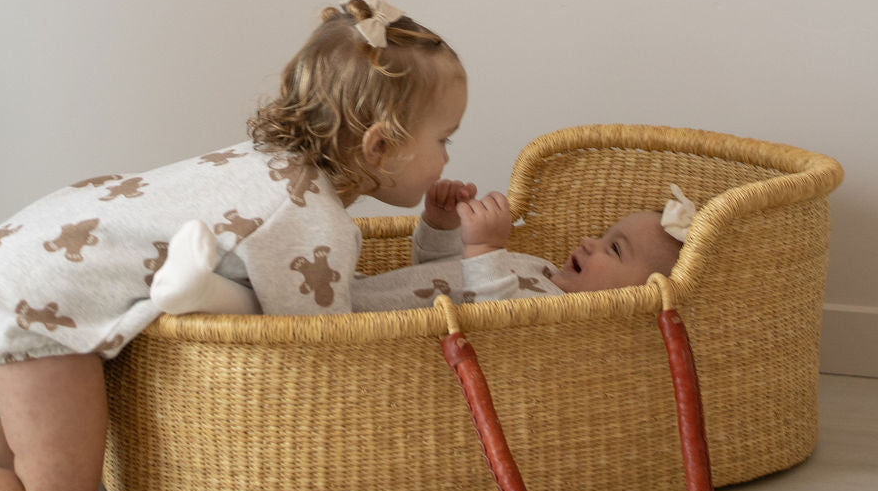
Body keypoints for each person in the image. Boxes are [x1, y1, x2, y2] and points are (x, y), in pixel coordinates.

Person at [0, 0, 466, 491]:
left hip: (9, 261)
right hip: (40, 295)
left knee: (38, 448)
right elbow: (315, 346)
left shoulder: (259, 162)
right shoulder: (311, 217)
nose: (446, 158)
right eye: (446, 139)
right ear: (379, 146)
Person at [152, 179, 697, 313]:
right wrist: (440, 226)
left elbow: (497, 322)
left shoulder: (554, 312)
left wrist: (484, 250)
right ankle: (205, 279)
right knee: (275, 277)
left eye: (614, 250)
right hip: (348, 296)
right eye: (604, 235)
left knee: (259, 313)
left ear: (642, 298)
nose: (589, 242)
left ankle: (198, 291)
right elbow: (439, 272)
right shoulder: (541, 268)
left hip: (349, 331)